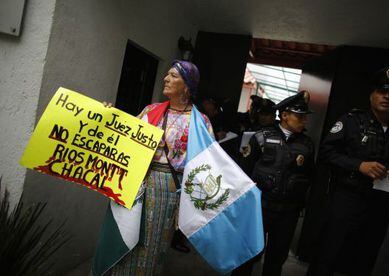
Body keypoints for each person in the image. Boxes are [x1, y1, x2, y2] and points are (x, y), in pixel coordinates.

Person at [104, 60, 214, 275]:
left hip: (168, 187)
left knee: (152, 240)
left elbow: (207, 164)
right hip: (137, 180)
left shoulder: (200, 122)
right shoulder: (151, 110)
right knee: (126, 233)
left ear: (187, 86)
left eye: (173, 76)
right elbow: (124, 137)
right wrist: (108, 116)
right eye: (167, 74)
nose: (166, 78)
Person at [307, 66, 389, 276]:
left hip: (380, 205)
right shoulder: (351, 122)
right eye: (382, 91)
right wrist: (359, 165)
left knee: (365, 258)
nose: (387, 97)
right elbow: (327, 153)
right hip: (347, 199)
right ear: (372, 94)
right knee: (327, 255)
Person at [233, 91, 315, 276]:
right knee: (247, 254)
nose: (304, 121)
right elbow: (244, 171)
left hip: (288, 212)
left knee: (277, 258)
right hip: (260, 208)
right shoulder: (261, 136)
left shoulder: (307, 144)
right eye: (299, 116)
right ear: (285, 115)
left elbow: (309, 176)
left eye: (305, 116)